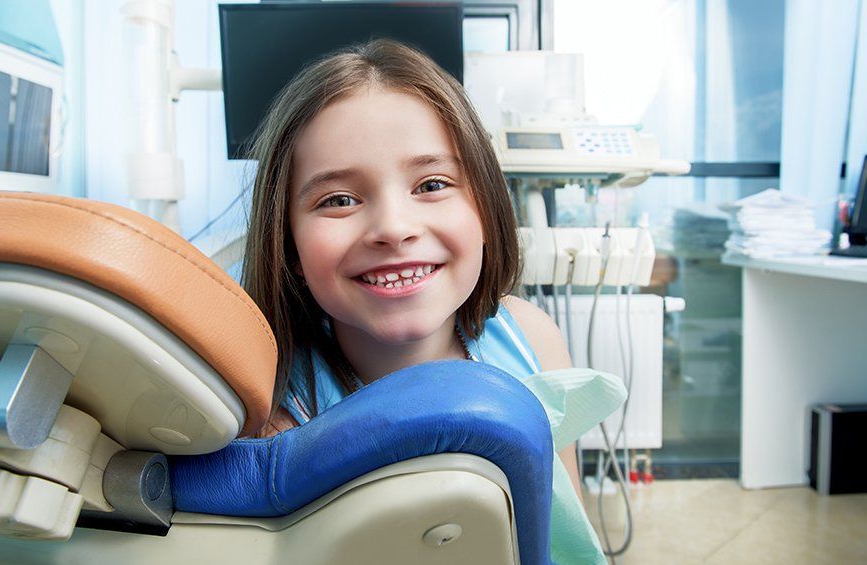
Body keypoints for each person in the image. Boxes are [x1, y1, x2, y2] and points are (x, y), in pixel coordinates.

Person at [242, 38, 618, 564]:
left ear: (485, 208)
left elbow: (562, 536)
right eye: (339, 200)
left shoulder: (532, 339)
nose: (394, 228)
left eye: (432, 184)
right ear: (289, 245)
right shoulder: (269, 405)